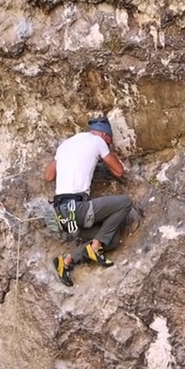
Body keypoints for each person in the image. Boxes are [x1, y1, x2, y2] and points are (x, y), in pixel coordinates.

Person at [43, 117, 131, 286]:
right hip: (78, 209)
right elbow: (119, 171)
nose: (109, 144)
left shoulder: (65, 145)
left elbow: (48, 176)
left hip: (61, 214)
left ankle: (66, 261)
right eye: (109, 142)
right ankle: (95, 246)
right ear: (105, 135)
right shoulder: (98, 141)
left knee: (111, 239)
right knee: (124, 203)